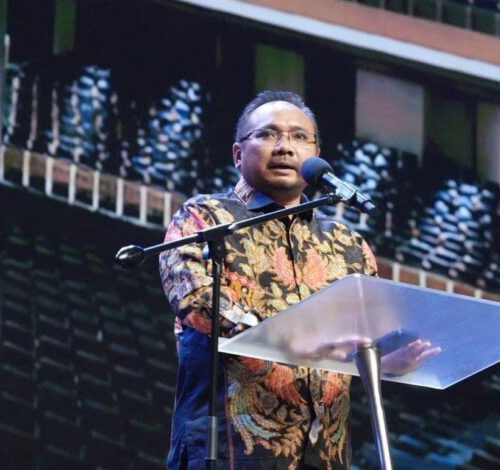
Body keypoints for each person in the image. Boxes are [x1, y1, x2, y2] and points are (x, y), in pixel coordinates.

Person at [159, 90, 435, 470]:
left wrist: (385, 361)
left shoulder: (348, 245)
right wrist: (301, 343)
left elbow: (364, 336)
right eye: (268, 134)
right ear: (238, 154)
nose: (285, 147)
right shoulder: (205, 219)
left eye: (299, 136)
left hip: (325, 453)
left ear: (316, 155)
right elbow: (197, 301)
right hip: (230, 447)